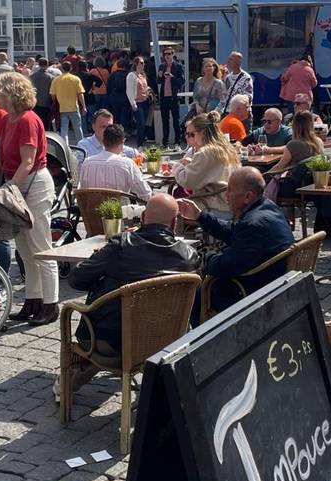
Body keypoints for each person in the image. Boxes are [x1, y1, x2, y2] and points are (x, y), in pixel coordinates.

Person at [66, 193, 198, 361]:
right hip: (167, 341)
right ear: (174, 223)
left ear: (143, 217)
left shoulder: (121, 246)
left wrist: (101, 257)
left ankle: (81, 370)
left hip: (111, 343)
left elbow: (76, 279)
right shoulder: (189, 256)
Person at [0, 72, 59, 326]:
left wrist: (8, 190)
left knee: (41, 247)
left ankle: (51, 304)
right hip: (17, 183)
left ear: (11, 93)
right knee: (25, 250)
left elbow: (28, 162)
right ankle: (33, 299)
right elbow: (1, 159)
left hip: (34, 184)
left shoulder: (28, 120)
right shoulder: (8, 120)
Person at [177, 167, 293, 320]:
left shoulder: (253, 225)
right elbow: (234, 232)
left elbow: (225, 266)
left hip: (252, 291)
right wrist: (200, 216)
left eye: (230, 190)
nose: (226, 195)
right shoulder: (268, 207)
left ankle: (198, 340)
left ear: (247, 196)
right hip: (273, 279)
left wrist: (203, 257)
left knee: (190, 293)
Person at [79, 124, 152, 201]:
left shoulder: (87, 163)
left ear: (103, 141)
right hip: (119, 212)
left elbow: (82, 192)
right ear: (122, 142)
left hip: (91, 211)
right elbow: (146, 195)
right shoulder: (127, 164)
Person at [52, 60, 85, 145]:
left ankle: (65, 147)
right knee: (78, 128)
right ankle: (81, 145)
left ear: (62, 68)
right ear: (71, 68)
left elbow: (53, 94)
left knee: (64, 129)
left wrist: (56, 102)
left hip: (62, 108)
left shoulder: (56, 80)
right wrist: (83, 106)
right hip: (74, 107)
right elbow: (80, 94)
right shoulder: (76, 79)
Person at [157, 48, 185, 147]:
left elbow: (182, 82)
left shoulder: (178, 66)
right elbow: (159, 82)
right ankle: (165, 142)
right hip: (164, 97)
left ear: (173, 54)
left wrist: (172, 77)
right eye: (165, 54)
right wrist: (160, 76)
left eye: (169, 53)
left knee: (175, 120)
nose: (167, 56)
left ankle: (177, 141)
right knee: (165, 121)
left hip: (173, 97)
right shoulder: (162, 66)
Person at [127, 55, 153, 146]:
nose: (143, 65)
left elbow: (144, 87)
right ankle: (139, 145)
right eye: (141, 63)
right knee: (140, 124)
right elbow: (129, 90)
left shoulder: (143, 75)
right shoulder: (131, 75)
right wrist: (133, 103)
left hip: (145, 102)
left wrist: (148, 90)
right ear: (136, 64)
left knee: (145, 123)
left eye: (143, 63)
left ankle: (142, 141)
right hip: (137, 103)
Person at [30, 58, 54, 127]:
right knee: (46, 122)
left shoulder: (32, 76)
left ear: (39, 64)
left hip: (36, 103)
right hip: (47, 103)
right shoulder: (51, 77)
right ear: (47, 65)